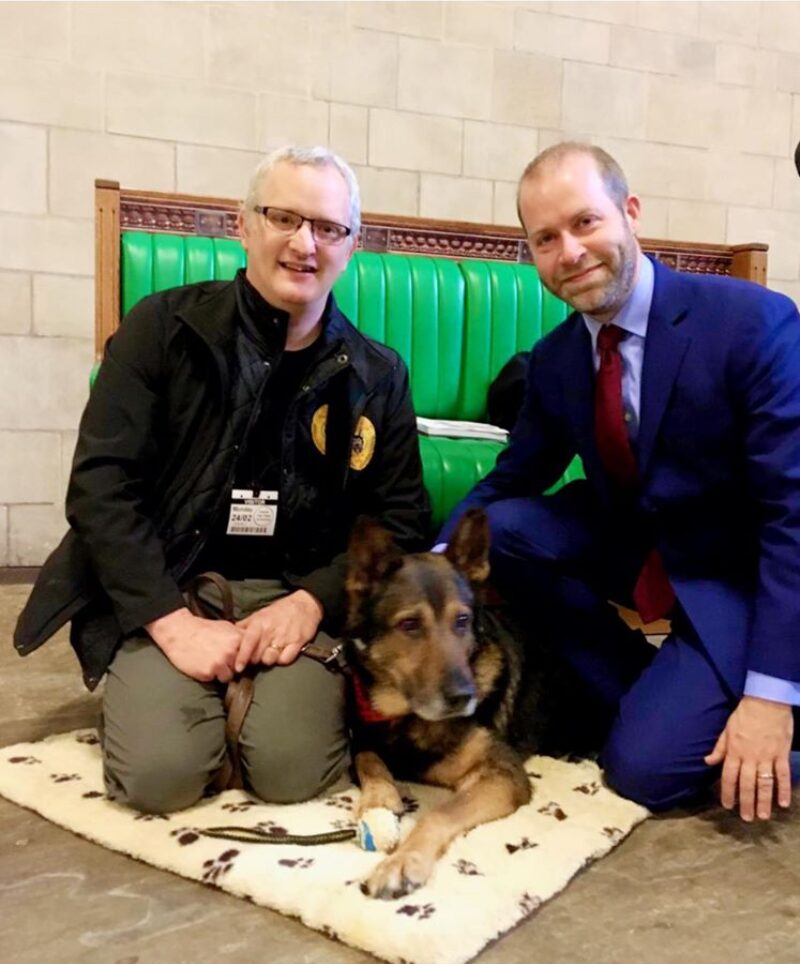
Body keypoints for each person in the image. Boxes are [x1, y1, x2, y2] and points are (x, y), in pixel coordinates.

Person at [14, 145, 430, 813]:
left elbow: (404, 519)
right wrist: (171, 624)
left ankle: (241, 714)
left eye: (328, 228)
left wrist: (313, 604)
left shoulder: (378, 375)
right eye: (284, 218)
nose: (305, 243)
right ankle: (172, 700)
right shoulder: (161, 328)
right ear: (245, 226)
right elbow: (100, 489)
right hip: (170, 578)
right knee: (160, 778)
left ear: (351, 246)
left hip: (293, 592)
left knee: (294, 773)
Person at [437, 141, 800, 822]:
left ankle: (770, 733)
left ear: (630, 212)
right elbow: (514, 479)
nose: (569, 252)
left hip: (743, 580)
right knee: (511, 531)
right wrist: (433, 561)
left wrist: (771, 696)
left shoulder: (751, 323)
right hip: (644, 554)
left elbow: (793, 516)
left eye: (585, 223)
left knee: (643, 774)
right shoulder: (556, 360)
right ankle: (644, 689)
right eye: (546, 239)